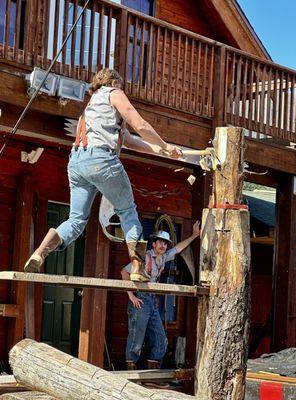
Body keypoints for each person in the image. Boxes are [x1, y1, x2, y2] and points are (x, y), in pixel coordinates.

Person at [24, 68, 182, 280]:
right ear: (114, 82)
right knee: (127, 210)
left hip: (77, 163)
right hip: (101, 160)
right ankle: (137, 268)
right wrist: (164, 144)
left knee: (76, 220)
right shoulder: (113, 93)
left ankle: (40, 252)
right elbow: (140, 125)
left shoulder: (89, 110)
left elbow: (129, 139)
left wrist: (160, 149)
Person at [121, 221, 201, 370]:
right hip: (140, 298)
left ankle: (152, 373)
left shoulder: (164, 258)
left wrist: (194, 235)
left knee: (160, 339)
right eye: (160, 243)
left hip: (152, 301)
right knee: (136, 338)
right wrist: (131, 295)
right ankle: (131, 374)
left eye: (165, 244)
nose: (163, 246)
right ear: (154, 244)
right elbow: (124, 272)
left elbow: (178, 249)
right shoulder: (144, 256)